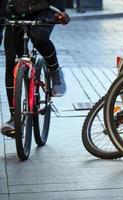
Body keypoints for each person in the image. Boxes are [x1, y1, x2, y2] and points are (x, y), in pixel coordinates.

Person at [0, 0, 70, 136]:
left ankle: (55, 70)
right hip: (15, 12)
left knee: (40, 38)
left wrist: (59, 11)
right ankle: (14, 118)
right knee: (11, 61)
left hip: (44, 8)